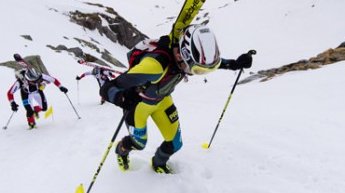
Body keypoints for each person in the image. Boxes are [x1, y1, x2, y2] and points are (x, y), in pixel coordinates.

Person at [100, 25, 253, 174]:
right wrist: (122, 99)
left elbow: (209, 64)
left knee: (175, 144)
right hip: (139, 105)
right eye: (196, 70)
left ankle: (158, 163)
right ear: (182, 55)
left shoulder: (187, 58)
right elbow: (107, 88)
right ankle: (121, 151)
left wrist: (234, 64)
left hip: (162, 100)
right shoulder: (153, 67)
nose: (196, 74)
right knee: (139, 144)